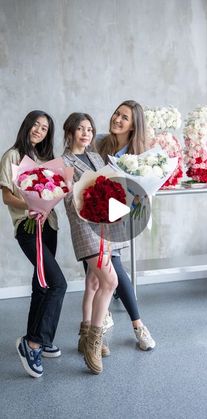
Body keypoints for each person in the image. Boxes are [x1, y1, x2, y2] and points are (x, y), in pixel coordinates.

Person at [0, 110, 67, 378]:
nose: (40, 130)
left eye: (45, 127)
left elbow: (53, 190)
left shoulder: (44, 158)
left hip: (49, 226)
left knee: (42, 285)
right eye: (36, 125)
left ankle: (38, 335)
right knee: (58, 283)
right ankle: (33, 344)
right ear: (27, 125)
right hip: (29, 229)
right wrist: (31, 204)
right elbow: (6, 197)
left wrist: (48, 200)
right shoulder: (12, 156)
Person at [62, 112, 128, 374]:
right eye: (80, 129)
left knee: (94, 282)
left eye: (89, 129)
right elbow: (68, 201)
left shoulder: (97, 157)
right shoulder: (63, 162)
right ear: (69, 133)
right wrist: (89, 201)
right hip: (84, 227)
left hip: (104, 226)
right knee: (111, 281)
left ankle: (84, 332)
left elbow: (110, 187)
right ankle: (93, 342)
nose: (86, 133)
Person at [95, 100, 156, 351]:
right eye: (116, 113)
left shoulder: (139, 156)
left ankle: (136, 325)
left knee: (113, 265)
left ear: (133, 126)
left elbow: (141, 190)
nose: (117, 119)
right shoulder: (99, 142)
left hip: (121, 213)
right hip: (95, 212)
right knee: (99, 268)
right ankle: (103, 321)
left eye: (125, 118)